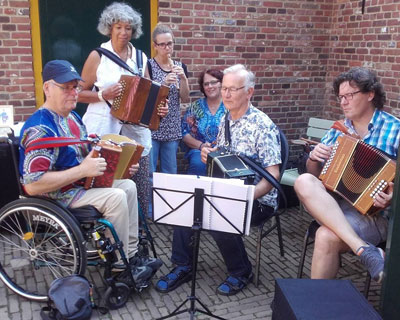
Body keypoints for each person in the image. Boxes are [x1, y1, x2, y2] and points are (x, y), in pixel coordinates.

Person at [19, 60, 159, 285]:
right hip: (56, 195)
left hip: (78, 184)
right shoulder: (40, 130)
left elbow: (87, 155)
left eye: (75, 87)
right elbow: (33, 185)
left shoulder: (72, 119)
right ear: (47, 88)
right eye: (66, 87)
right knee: (116, 197)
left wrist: (121, 167)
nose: (74, 93)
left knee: (128, 186)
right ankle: (118, 266)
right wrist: (82, 170)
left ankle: (130, 254)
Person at [155, 64, 281, 296]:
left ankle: (241, 271)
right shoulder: (226, 119)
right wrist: (208, 153)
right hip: (227, 187)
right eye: (225, 88)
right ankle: (183, 266)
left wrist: (244, 197)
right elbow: (221, 154)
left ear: (249, 92)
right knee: (186, 205)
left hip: (259, 199)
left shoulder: (262, 126)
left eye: (233, 89)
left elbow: (273, 176)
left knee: (218, 216)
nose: (226, 94)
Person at [294, 67, 400, 283]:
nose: (343, 102)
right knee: (304, 180)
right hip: (332, 203)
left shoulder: (395, 130)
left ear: (370, 94)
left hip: (373, 215)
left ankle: (318, 310)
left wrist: (392, 196)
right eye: (341, 97)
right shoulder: (338, 130)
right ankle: (364, 250)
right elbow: (317, 176)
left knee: (325, 236)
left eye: (349, 96)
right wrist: (313, 158)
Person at [78, 2, 167, 219]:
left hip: (134, 133)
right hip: (102, 129)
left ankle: (139, 233)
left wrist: (159, 109)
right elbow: (78, 92)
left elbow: (149, 92)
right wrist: (102, 95)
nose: (123, 32)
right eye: (118, 27)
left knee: (139, 185)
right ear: (110, 28)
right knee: (104, 181)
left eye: (128, 28)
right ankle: (107, 229)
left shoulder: (140, 58)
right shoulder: (98, 56)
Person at [146, 23, 190, 176]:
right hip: (152, 126)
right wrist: (164, 83)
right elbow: (147, 97)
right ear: (155, 46)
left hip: (172, 127)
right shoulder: (148, 65)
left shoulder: (180, 66)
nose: (167, 48)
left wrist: (183, 78)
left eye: (169, 43)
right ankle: (150, 201)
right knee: (150, 172)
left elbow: (185, 97)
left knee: (170, 173)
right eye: (162, 44)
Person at [181, 68, 225, 175]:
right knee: (198, 163)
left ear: (222, 84)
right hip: (200, 150)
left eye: (213, 82)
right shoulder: (196, 107)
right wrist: (201, 146)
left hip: (225, 151)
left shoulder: (230, 106)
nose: (210, 86)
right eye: (206, 84)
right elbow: (184, 133)